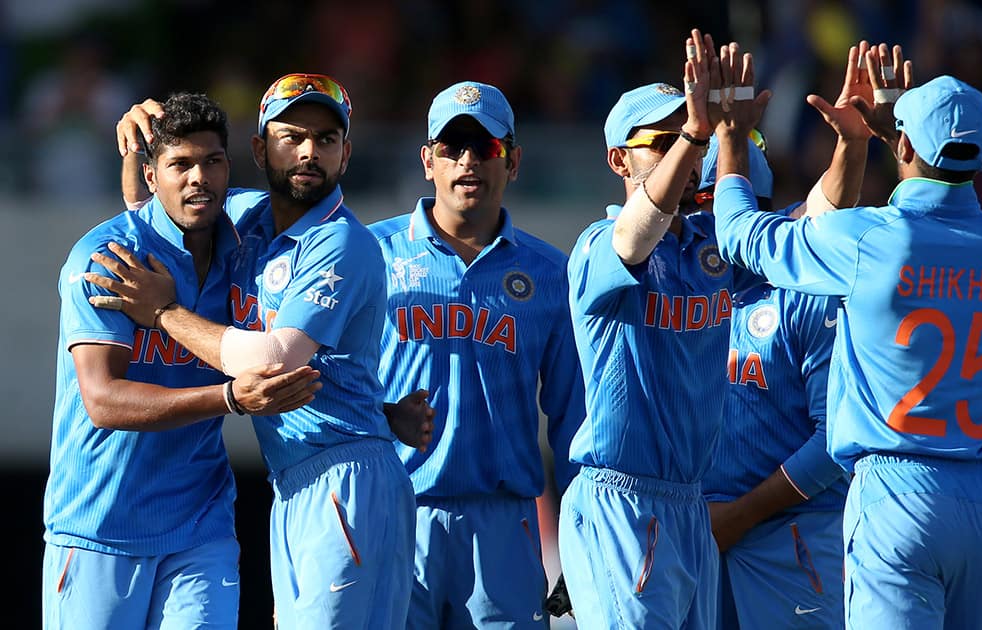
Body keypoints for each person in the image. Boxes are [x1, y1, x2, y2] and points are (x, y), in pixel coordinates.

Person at [93, 74, 421, 629]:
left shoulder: (341, 241)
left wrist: (166, 313)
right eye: (292, 135)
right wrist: (137, 142)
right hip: (295, 482)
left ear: (346, 154)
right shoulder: (247, 219)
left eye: (327, 138)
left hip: (346, 480)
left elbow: (275, 358)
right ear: (259, 147)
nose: (309, 151)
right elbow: (157, 211)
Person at [711, 50, 982, 630]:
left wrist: (733, 138)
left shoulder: (869, 238)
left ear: (905, 148)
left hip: (899, 492)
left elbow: (741, 237)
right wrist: (901, 135)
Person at [42, 92, 321, 629]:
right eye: (180, 165)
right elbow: (102, 400)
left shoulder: (245, 245)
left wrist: (382, 412)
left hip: (201, 525)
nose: (199, 178)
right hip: (99, 526)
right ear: (151, 176)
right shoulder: (106, 260)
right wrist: (229, 399)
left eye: (212, 162)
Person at [367, 81, 586, 628]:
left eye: (486, 147)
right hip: (395, 512)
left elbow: (575, 422)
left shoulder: (550, 272)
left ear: (512, 162)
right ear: (428, 161)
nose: (469, 160)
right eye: (452, 147)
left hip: (504, 526)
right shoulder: (371, 255)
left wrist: (583, 544)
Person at [700, 42, 893, 629]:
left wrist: (738, 516)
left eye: (716, 205)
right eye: (692, 205)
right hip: (694, 540)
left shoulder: (800, 286)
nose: (699, 224)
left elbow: (833, 440)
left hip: (793, 545)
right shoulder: (671, 288)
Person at [557, 31, 740, 629]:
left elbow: (811, 225)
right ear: (619, 161)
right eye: (659, 142)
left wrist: (852, 140)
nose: (686, 156)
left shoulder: (709, 245)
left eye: (691, 137)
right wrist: (694, 131)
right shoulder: (595, 247)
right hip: (622, 500)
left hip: (691, 505)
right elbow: (635, 238)